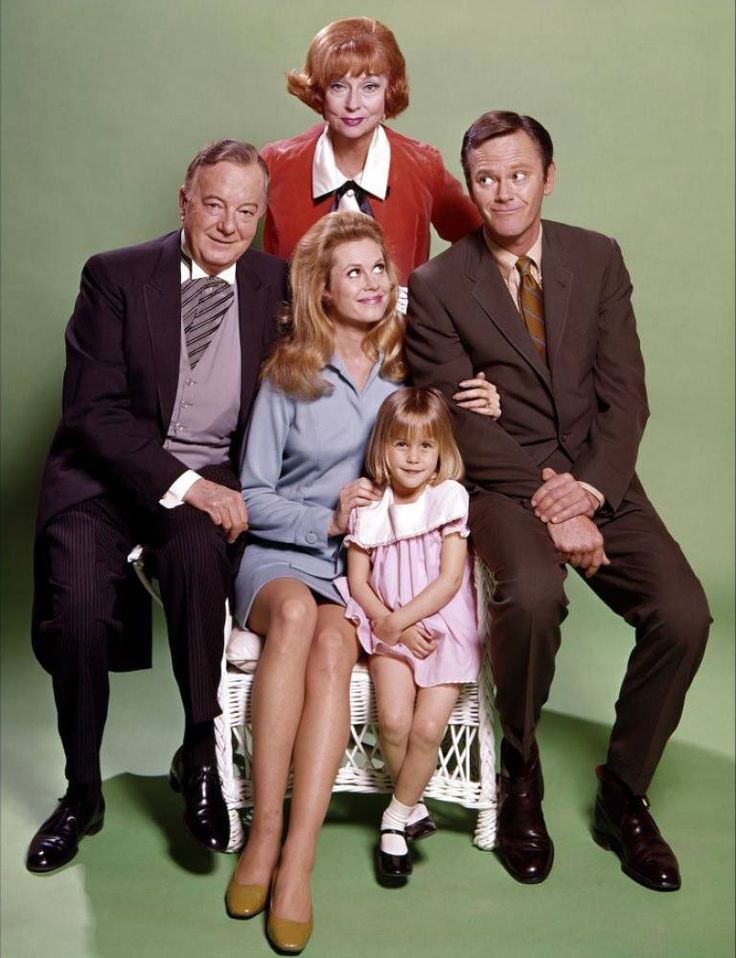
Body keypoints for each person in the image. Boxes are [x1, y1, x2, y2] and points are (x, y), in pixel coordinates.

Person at [405, 111, 710, 892]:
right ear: (469, 186)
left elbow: (626, 395)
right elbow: (459, 426)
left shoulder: (596, 257)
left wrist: (594, 490)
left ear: (548, 175)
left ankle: (624, 793)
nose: (502, 192)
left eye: (518, 174)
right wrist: (555, 500)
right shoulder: (437, 285)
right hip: (508, 484)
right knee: (534, 598)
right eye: (485, 178)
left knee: (683, 614)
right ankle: (520, 767)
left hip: (603, 475)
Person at [225, 212, 498, 953]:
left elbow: (447, 441)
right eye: (354, 272)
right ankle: (265, 831)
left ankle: (298, 863)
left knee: (334, 646)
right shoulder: (289, 372)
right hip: (287, 553)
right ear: (322, 288)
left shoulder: (408, 372)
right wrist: (329, 517)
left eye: (380, 267)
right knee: (292, 620)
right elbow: (251, 495)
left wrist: (492, 401)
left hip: (361, 574)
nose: (374, 283)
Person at [26, 140, 288, 874]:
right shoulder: (115, 275)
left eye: (247, 210)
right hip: (104, 482)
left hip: (210, 485)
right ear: (184, 200)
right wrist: (189, 484)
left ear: (262, 215)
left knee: (201, 552)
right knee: (77, 611)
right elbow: (93, 413)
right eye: (214, 204)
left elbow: (320, 382)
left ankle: (199, 751)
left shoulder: (278, 285)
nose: (229, 225)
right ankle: (82, 791)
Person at [335, 387, 483, 879]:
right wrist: (390, 625)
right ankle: (412, 806)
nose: (413, 457)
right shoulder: (370, 506)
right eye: (401, 445)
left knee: (425, 729)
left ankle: (394, 820)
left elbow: (449, 580)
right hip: (385, 625)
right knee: (394, 722)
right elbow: (358, 580)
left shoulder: (448, 497)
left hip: (442, 627)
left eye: (425, 446)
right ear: (383, 448)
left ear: (441, 450)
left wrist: (404, 621)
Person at [260, 16, 480, 304]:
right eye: (338, 86)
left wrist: (433, 305)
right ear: (318, 92)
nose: (353, 103)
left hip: (397, 341)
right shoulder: (276, 163)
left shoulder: (423, 165)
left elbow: (480, 241)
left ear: (390, 90)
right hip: (297, 339)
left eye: (370, 87)